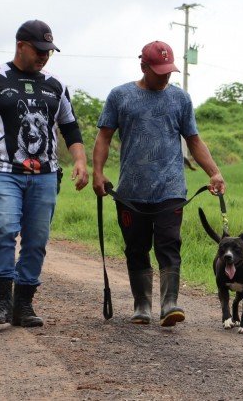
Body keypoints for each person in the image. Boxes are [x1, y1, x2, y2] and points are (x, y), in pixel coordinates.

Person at [0, 19, 89, 327]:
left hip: (45, 174)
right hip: (4, 169)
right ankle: (1, 300)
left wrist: (80, 161)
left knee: (36, 239)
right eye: (39, 50)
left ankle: (24, 304)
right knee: (3, 227)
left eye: (49, 51)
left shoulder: (56, 85)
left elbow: (70, 127)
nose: (44, 56)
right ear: (21, 46)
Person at [92, 40, 226, 327]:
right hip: (131, 191)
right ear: (143, 66)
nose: (165, 76)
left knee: (169, 245)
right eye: (159, 71)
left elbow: (193, 139)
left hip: (170, 188)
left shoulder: (180, 99)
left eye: (169, 71)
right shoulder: (120, 96)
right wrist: (98, 172)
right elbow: (103, 136)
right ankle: (142, 305)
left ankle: (169, 304)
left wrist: (213, 172)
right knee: (136, 248)